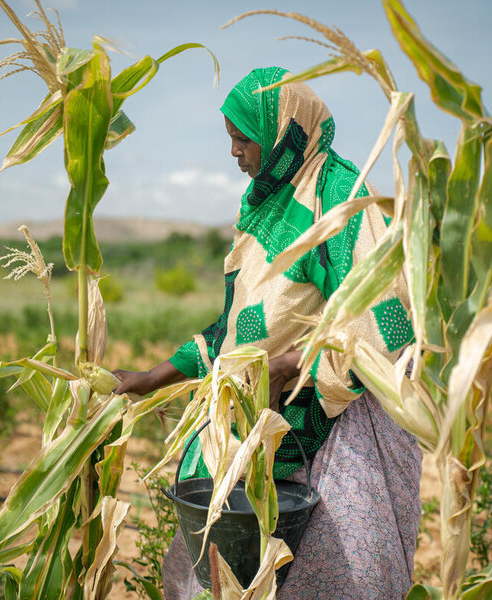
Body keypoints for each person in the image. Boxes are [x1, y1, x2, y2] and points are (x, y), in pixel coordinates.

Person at [113, 67, 422, 600]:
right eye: (229, 139)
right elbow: (235, 330)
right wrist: (151, 377)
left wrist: (295, 364)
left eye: (242, 137)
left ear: (284, 133)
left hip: (331, 416)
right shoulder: (263, 205)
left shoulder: (339, 195)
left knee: (325, 573)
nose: (233, 151)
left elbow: (382, 320)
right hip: (252, 412)